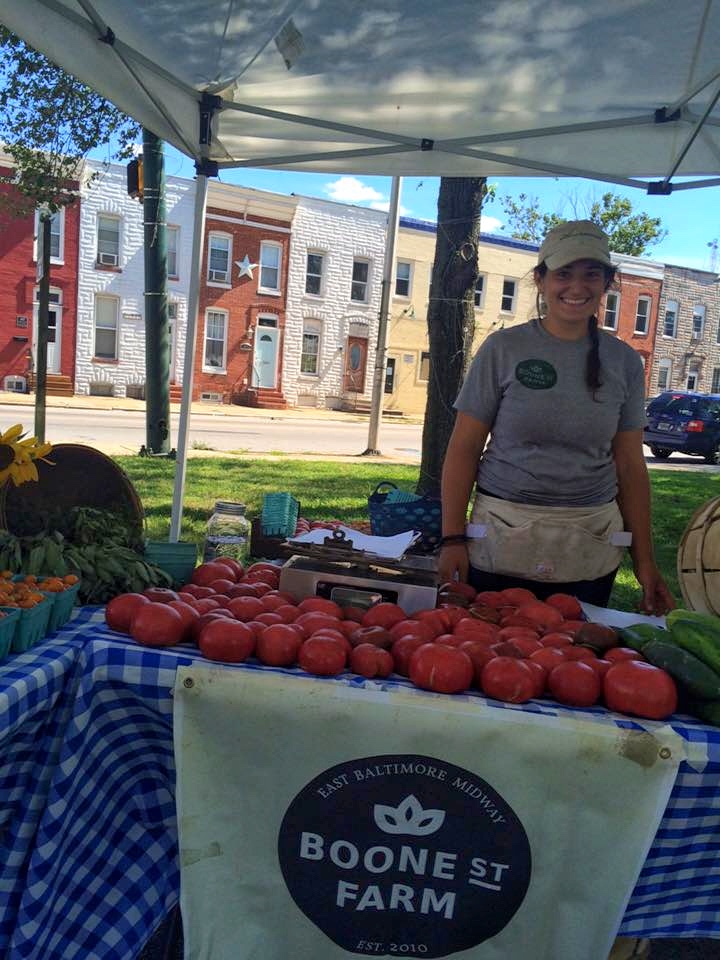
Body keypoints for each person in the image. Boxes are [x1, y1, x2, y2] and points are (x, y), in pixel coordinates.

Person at [438, 219, 674, 615]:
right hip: (501, 539)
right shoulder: (503, 349)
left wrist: (645, 562)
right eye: (564, 273)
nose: (577, 287)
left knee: (576, 650)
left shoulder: (625, 363)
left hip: (589, 546)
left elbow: (631, 466)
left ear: (607, 282)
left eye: (591, 274)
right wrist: (452, 538)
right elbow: (464, 447)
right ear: (541, 279)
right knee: (491, 648)